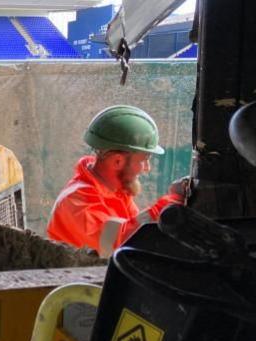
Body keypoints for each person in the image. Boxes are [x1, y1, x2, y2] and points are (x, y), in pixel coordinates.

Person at [47, 105, 188, 257]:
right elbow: (118, 243)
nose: (147, 168)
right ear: (118, 162)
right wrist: (168, 207)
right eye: (144, 160)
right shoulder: (75, 201)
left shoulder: (114, 191)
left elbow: (134, 232)